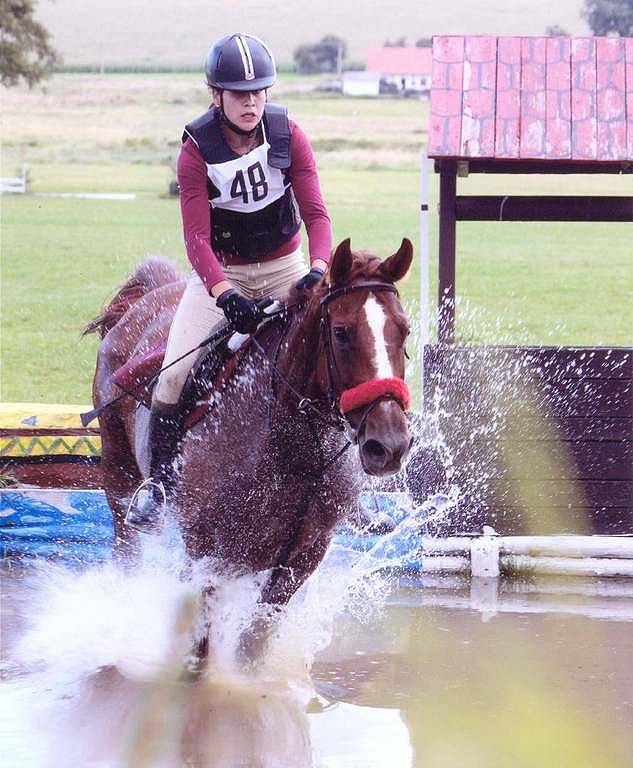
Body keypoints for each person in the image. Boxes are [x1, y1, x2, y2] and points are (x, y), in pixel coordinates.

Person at [126, 32, 332, 533]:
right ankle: (157, 484)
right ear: (216, 96)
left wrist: (319, 270)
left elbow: (317, 215)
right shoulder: (196, 151)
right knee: (174, 375)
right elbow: (196, 239)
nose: (252, 102)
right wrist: (225, 295)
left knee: (334, 350)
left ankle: (357, 484)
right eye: (240, 94)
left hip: (287, 266)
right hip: (223, 272)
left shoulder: (289, 136)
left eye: (259, 91)